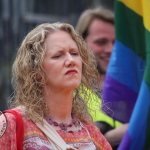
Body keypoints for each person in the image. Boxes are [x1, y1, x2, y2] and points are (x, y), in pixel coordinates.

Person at [0, 22, 112, 149]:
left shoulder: (92, 134)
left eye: (74, 53)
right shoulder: (11, 124)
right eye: (58, 56)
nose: (71, 61)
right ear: (36, 71)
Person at [76, 7, 126, 149]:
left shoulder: (127, 88)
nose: (110, 49)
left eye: (115, 43)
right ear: (80, 44)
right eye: (101, 42)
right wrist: (112, 138)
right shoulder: (65, 91)